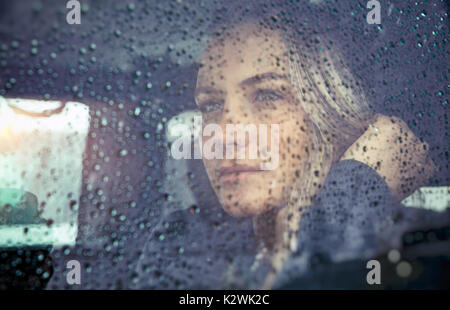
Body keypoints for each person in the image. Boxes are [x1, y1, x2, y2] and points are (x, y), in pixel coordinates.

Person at [133, 5, 448, 289]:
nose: (224, 134)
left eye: (268, 96)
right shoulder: (181, 246)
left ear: (333, 113)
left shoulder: (415, 248)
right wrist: (355, 194)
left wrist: (354, 189)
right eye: (211, 104)